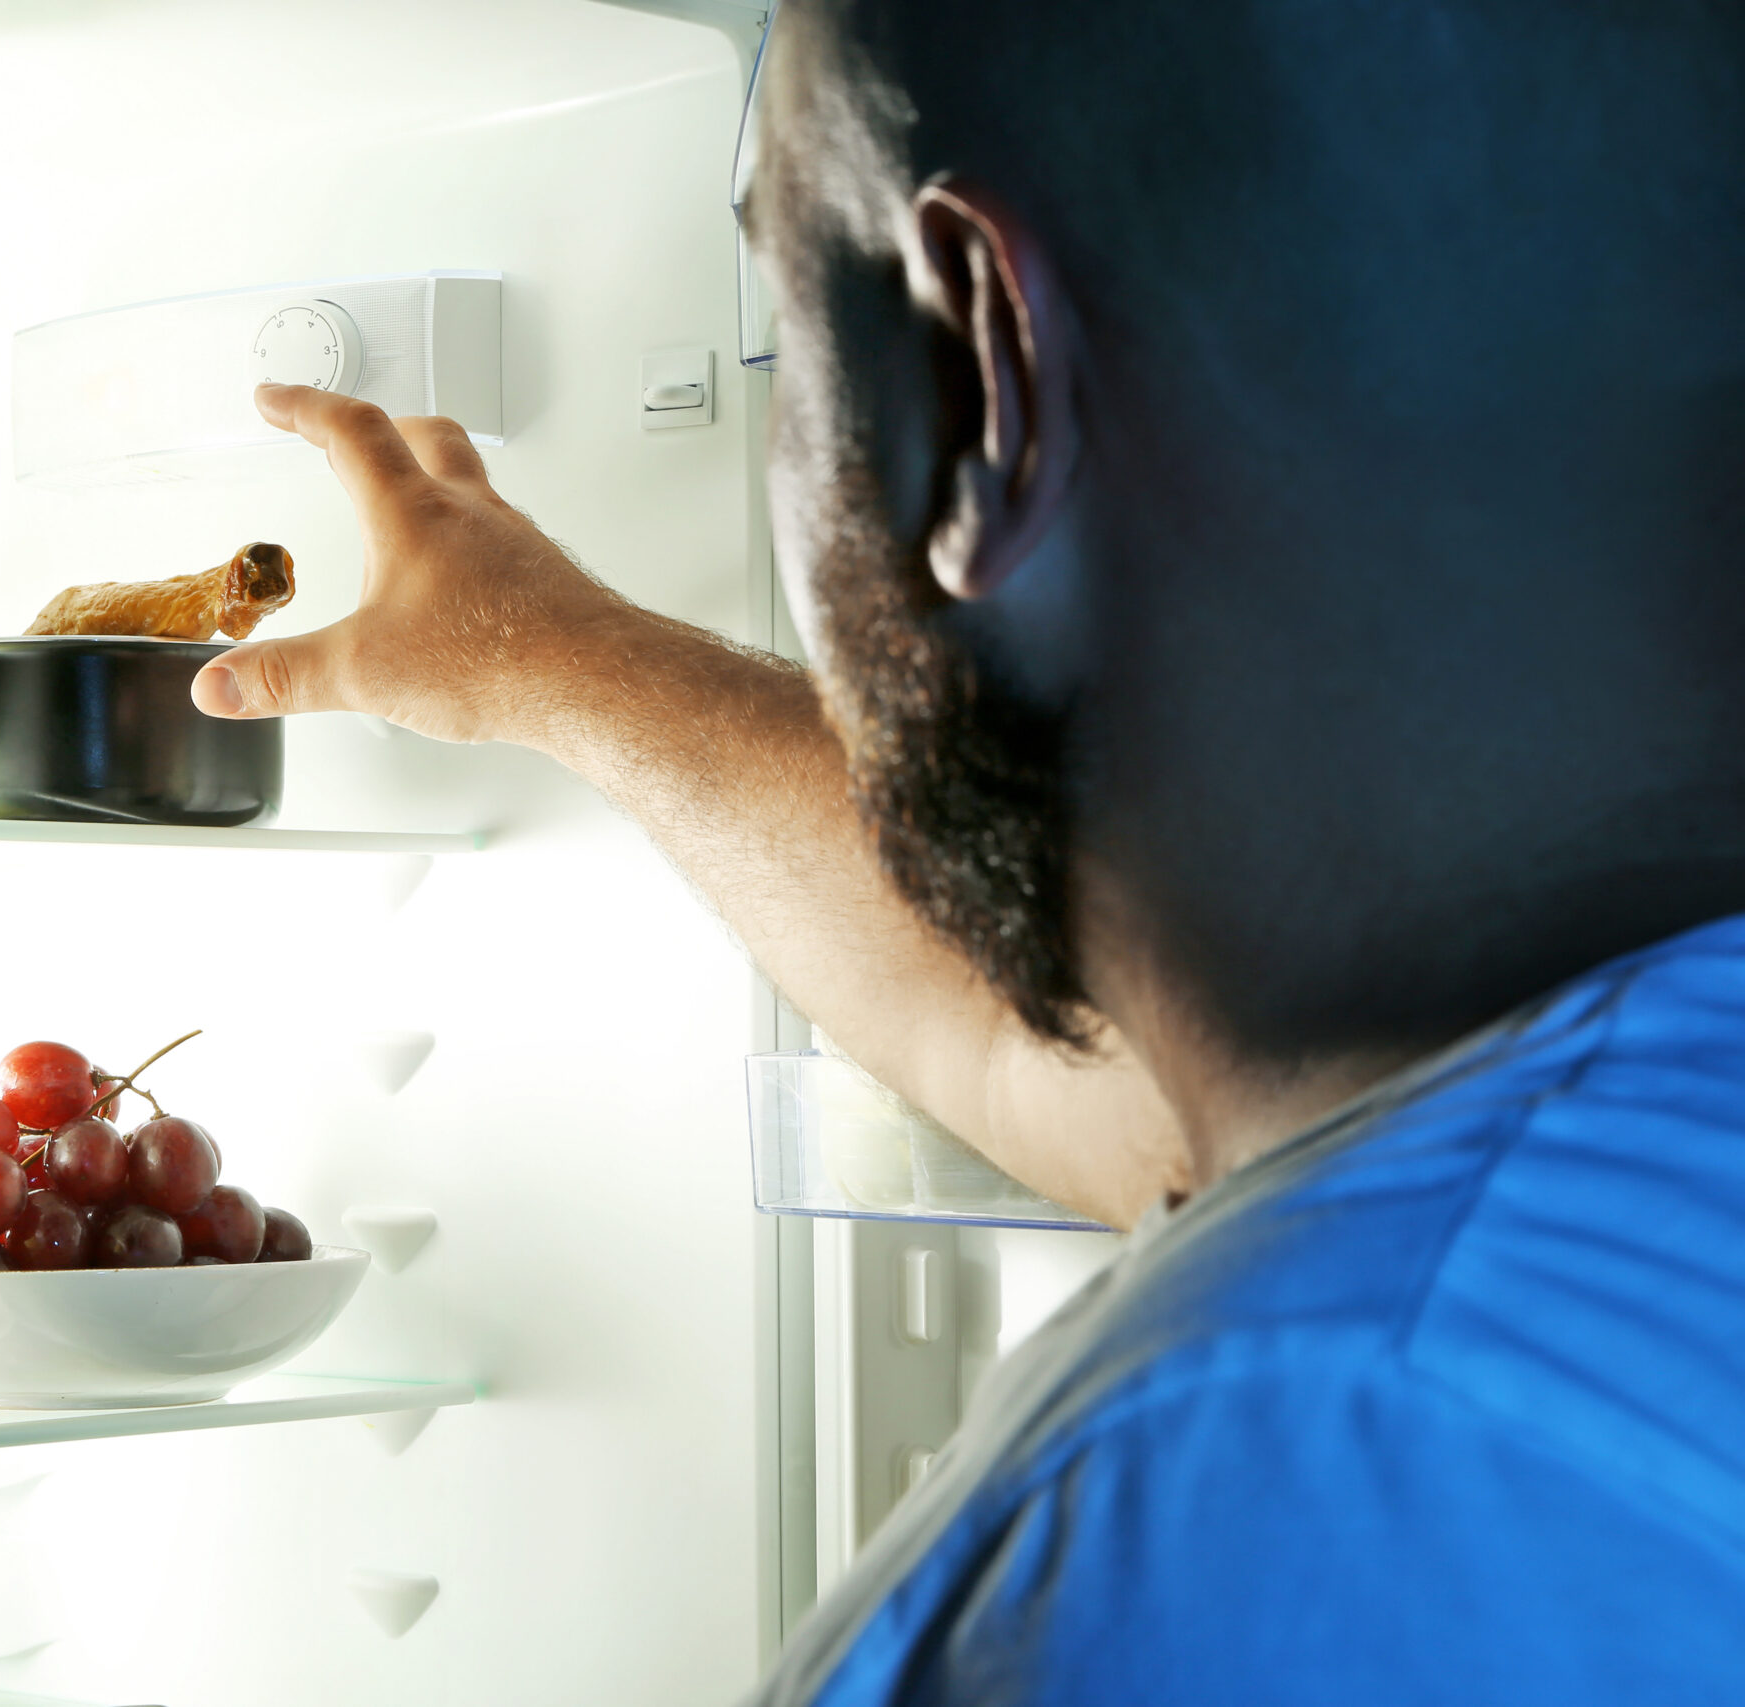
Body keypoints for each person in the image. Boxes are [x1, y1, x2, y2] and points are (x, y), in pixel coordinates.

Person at [194, 1, 1745, 1701]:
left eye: (781, 316)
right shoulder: (1607, 1111)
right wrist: (554, 658)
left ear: (976, 372)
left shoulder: (1247, 1506)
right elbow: (1102, 1087)